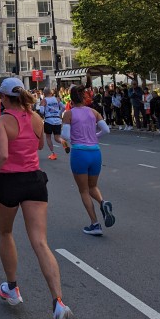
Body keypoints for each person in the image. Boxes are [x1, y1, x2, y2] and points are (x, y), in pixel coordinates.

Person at [0, 78, 74, 319]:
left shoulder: (0, 122)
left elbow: (2, 155)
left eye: (0, 97)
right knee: (40, 242)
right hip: (34, 180)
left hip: (9, 182)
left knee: (6, 232)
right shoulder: (36, 118)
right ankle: (59, 304)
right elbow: (40, 146)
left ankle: (12, 288)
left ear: (5, 98)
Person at [62, 85, 114, 236]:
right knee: (93, 186)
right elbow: (106, 130)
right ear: (85, 98)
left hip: (79, 153)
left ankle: (95, 224)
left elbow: (65, 136)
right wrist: (93, 137)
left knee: (84, 190)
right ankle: (103, 202)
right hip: (95, 152)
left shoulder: (68, 114)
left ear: (71, 99)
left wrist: (77, 139)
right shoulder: (94, 112)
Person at [40, 88, 69, 160]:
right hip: (57, 120)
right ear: (51, 93)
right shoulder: (57, 99)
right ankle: (62, 141)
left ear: (44, 94)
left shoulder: (44, 100)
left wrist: (44, 114)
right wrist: (59, 113)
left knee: (48, 137)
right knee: (57, 138)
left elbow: (41, 111)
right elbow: (64, 107)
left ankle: (53, 154)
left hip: (48, 120)